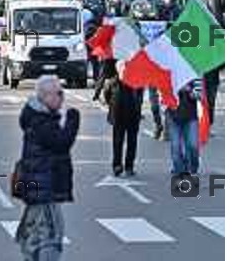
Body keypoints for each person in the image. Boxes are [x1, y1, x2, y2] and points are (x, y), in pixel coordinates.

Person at [15, 75, 80, 261]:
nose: (62, 96)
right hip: (44, 187)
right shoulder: (40, 120)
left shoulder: (38, 116)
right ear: (45, 96)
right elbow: (61, 143)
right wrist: (73, 121)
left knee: (35, 232)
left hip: (39, 185)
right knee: (51, 236)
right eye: (58, 93)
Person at [95, 61, 143, 176]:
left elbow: (140, 95)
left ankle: (129, 166)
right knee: (118, 141)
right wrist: (111, 105)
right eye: (121, 69)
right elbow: (107, 96)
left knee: (132, 141)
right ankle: (117, 165)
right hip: (118, 115)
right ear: (118, 71)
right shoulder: (112, 82)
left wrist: (138, 107)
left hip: (133, 115)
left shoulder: (136, 81)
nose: (124, 72)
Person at [166, 80, 202, 175]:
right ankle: (179, 170)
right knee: (176, 146)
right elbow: (163, 92)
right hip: (173, 115)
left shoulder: (194, 74)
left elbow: (199, 95)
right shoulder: (169, 72)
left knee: (193, 145)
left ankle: (193, 166)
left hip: (191, 115)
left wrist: (188, 90)